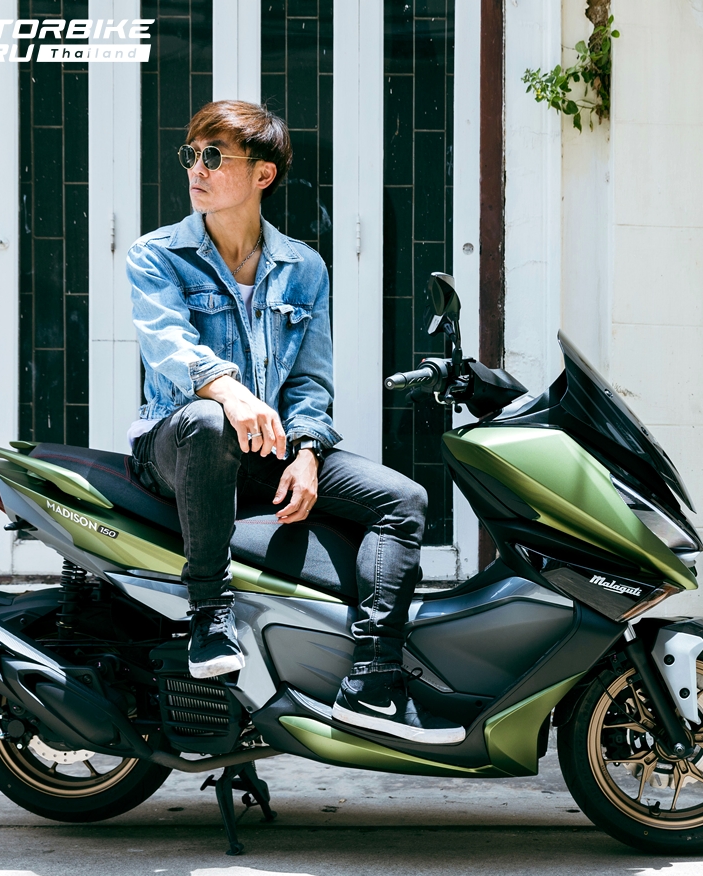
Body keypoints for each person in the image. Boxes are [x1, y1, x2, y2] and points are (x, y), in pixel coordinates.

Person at [127, 100, 460, 744]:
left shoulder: (303, 268)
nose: (196, 169)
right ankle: (209, 615)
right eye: (191, 155)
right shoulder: (157, 254)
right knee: (209, 421)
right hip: (176, 444)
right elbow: (168, 345)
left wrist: (307, 450)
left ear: (264, 174)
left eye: (214, 156)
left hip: (268, 445)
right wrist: (231, 393)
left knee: (403, 500)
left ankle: (373, 678)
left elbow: (310, 379)